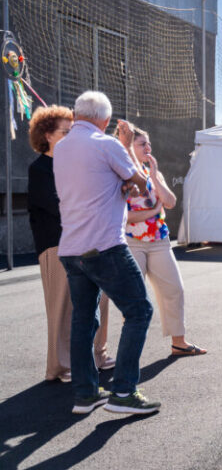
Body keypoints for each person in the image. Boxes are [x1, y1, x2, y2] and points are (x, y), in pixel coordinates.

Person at [55, 91, 160, 415]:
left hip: (71, 247)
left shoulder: (62, 148)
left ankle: (85, 393)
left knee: (84, 320)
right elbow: (142, 184)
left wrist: (120, 185)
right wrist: (126, 145)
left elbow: (95, 184)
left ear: (76, 115)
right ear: (105, 120)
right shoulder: (107, 144)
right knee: (139, 310)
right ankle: (123, 391)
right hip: (104, 245)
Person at [27, 105, 114, 383]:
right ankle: (62, 366)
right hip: (57, 246)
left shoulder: (76, 165)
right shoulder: (39, 169)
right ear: (47, 135)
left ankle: (98, 355)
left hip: (89, 240)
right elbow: (57, 206)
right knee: (63, 308)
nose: (72, 137)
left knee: (100, 300)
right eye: (65, 132)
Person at [112, 121, 207, 356]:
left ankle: (179, 342)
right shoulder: (118, 174)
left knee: (174, 289)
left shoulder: (153, 173)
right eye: (142, 144)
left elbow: (171, 202)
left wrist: (154, 176)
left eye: (149, 144)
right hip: (131, 242)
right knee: (134, 298)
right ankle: (130, 351)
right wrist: (154, 211)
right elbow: (124, 216)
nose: (148, 148)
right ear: (128, 146)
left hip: (159, 241)